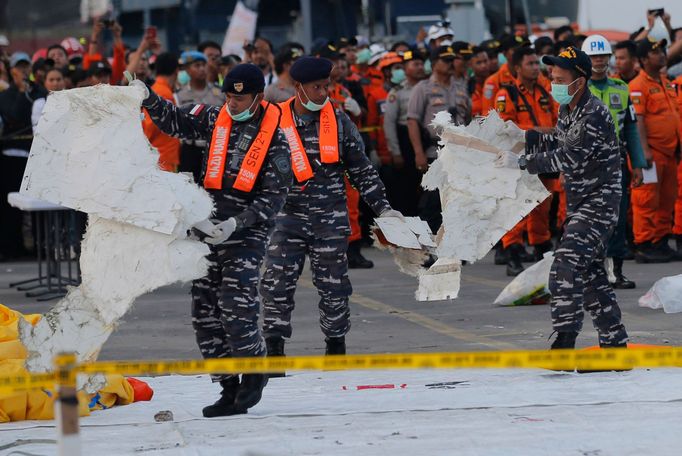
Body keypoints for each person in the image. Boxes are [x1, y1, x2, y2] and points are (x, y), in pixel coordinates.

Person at [133, 63, 293, 417]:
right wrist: (147, 95)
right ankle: (227, 386)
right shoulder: (214, 119)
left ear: (258, 97)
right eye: (229, 96)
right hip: (205, 231)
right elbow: (174, 121)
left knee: (236, 306)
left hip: (245, 234)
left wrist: (239, 222)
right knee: (204, 314)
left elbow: (274, 197)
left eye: (240, 98)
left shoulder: (276, 140)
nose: (233, 103)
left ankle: (255, 371)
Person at [259, 56, 402, 359]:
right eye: (316, 87)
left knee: (334, 287)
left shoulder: (337, 120)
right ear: (298, 88)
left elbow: (361, 170)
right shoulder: (271, 120)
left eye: (326, 86)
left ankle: (335, 346)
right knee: (276, 285)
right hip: (286, 218)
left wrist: (385, 210)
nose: (324, 93)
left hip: (330, 218)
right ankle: (274, 349)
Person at [515, 46, 628, 350]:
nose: (554, 84)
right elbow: (561, 138)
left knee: (565, 264)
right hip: (580, 201)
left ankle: (565, 339)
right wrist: (528, 138)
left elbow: (570, 157)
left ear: (579, 80)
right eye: (552, 78)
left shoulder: (593, 113)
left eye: (560, 79)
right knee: (590, 273)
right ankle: (615, 342)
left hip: (599, 203)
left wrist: (525, 163)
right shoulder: (569, 109)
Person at [581, 34, 648, 285]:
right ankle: (591, 269)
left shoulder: (621, 87)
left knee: (617, 217)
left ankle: (615, 270)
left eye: (603, 56)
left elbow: (630, 127)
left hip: (616, 162)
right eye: (594, 56)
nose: (599, 61)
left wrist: (638, 163)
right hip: (587, 162)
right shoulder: (578, 89)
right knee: (588, 217)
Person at [496, 46, 558, 276]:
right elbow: (504, 127)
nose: (535, 68)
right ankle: (512, 252)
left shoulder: (544, 92)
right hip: (518, 156)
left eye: (536, 63)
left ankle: (542, 247)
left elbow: (556, 118)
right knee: (516, 206)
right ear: (517, 68)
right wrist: (536, 130)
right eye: (530, 64)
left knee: (542, 205)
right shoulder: (507, 94)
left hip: (543, 155)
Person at [407, 44, 471, 231]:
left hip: (458, 153)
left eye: (453, 60)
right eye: (446, 60)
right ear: (434, 63)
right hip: (433, 152)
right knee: (432, 202)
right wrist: (418, 153)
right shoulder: (423, 88)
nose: (451, 64)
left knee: (456, 201)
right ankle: (430, 249)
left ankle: (454, 248)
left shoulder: (460, 88)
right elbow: (412, 121)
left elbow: (468, 120)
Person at [628, 38, 682, 262]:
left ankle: (659, 241)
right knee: (646, 199)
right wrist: (643, 151)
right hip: (651, 153)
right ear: (642, 59)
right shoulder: (637, 86)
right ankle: (644, 243)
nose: (661, 55)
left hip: (669, 153)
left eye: (661, 51)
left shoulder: (664, 81)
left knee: (666, 199)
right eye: (655, 52)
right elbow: (637, 119)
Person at [0, 52, 48, 260]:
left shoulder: (37, 91)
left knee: (38, 207)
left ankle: (39, 248)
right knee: (11, 209)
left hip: (33, 157)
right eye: (19, 68)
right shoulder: (6, 95)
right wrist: (21, 92)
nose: (24, 71)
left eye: (26, 67)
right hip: (11, 157)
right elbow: (13, 115)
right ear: (12, 71)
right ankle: (13, 248)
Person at [383, 49, 426, 216]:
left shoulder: (429, 87)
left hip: (426, 139)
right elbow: (389, 123)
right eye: (415, 64)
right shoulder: (397, 92)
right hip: (405, 140)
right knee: (407, 186)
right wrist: (395, 152)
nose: (420, 67)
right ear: (406, 68)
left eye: (421, 64)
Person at [176, 51, 226, 183]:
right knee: (188, 188)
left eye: (203, 65)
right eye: (197, 65)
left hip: (215, 149)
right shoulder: (180, 95)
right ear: (187, 69)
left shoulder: (219, 92)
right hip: (190, 150)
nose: (202, 69)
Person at [141, 52, 181, 172]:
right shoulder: (164, 93)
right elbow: (150, 126)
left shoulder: (157, 89)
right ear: (176, 71)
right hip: (162, 158)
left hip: (160, 156)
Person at [468, 46, 491, 117]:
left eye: (485, 61)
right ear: (470, 65)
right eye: (479, 63)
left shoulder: (497, 83)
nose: (483, 65)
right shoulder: (467, 86)